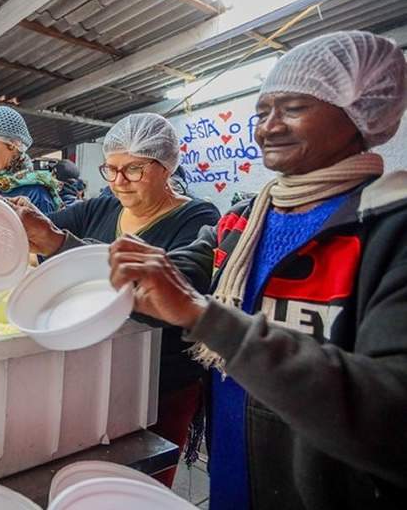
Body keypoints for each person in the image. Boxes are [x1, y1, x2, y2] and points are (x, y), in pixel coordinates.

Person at [106, 31, 407, 509]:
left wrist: (207, 319)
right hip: (234, 475)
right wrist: (64, 246)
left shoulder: (387, 231)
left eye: (293, 108)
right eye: (262, 113)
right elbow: (173, 276)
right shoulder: (243, 222)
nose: (269, 128)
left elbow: (391, 413)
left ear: (359, 111)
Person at [5, 113, 220, 487]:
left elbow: (175, 284)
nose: (119, 181)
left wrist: (58, 243)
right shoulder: (101, 209)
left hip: (161, 384)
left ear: (167, 167)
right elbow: (41, 231)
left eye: (134, 169)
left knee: (142, 485)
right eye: (111, 169)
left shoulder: (198, 217)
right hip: (95, 376)